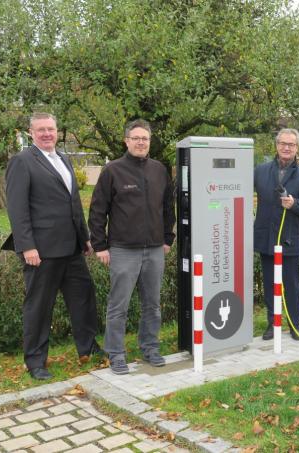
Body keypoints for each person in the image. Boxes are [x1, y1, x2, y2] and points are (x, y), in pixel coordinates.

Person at [3, 112, 101, 380]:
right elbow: (17, 208)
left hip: (71, 249)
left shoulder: (64, 160)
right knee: (39, 307)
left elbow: (73, 203)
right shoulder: (22, 162)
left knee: (83, 299)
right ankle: (35, 362)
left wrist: (85, 237)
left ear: (58, 131)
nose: (47, 134)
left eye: (51, 129)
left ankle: (88, 348)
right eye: (41, 129)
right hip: (41, 252)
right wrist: (27, 247)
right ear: (31, 133)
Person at [88, 119, 176, 375]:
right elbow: (97, 211)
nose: (141, 142)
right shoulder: (113, 171)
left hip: (154, 250)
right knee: (119, 305)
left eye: (145, 139)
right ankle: (115, 353)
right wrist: (100, 246)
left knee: (152, 304)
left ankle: (150, 347)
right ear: (126, 141)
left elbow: (167, 208)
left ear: (150, 142)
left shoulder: (159, 170)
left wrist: (168, 239)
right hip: (123, 250)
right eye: (136, 138)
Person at [254, 128, 299, 341]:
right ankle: (273, 323)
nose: (286, 148)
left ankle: (295, 324)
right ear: (276, 145)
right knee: (270, 283)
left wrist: (295, 203)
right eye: (283, 143)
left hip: (289, 238)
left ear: (297, 148)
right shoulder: (260, 170)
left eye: (291, 144)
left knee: (291, 284)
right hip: (265, 237)